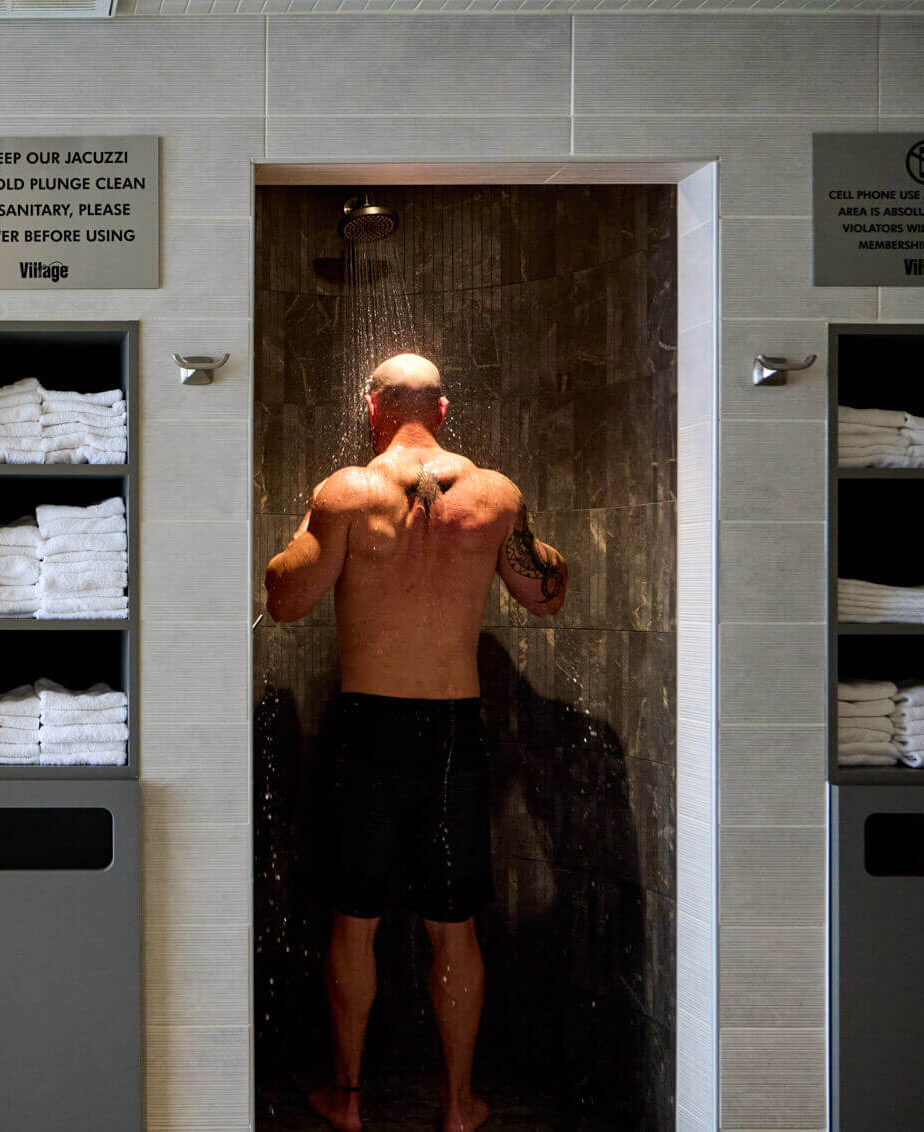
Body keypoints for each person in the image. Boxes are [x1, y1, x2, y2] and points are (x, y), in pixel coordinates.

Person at [263, 353, 568, 1132]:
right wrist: (541, 549)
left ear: (373, 412)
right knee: (453, 925)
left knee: (353, 921)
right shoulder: (495, 496)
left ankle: (349, 1098)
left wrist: (306, 530)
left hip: (367, 728)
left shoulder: (345, 493)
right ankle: (459, 1103)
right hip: (452, 732)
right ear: (440, 410)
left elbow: (286, 599)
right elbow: (543, 597)